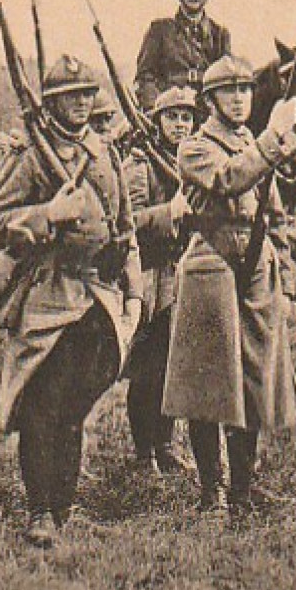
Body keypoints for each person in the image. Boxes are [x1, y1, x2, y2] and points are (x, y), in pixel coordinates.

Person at [0, 55, 141, 547]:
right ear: (51, 103)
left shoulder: (104, 153)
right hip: (49, 296)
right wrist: (48, 213)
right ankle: (40, 510)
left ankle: (65, 506)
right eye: (71, 96)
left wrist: (132, 289)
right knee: (42, 406)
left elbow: (126, 226)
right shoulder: (30, 156)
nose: (81, 103)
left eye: (87, 94)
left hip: (97, 296)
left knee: (75, 408)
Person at [163, 54, 296, 520]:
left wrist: (280, 258)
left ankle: (242, 488)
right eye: (230, 91)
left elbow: (274, 209)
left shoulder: (253, 142)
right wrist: (270, 141)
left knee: (254, 376)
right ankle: (211, 489)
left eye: (245, 90)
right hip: (212, 262)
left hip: (256, 262)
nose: (240, 99)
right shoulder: (195, 147)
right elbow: (228, 178)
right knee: (208, 383)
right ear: (210, 100)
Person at [120, 86, 198, 475]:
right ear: (158, 121)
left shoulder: (193, 161)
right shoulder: (140, 164)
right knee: (147, 367)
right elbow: (128, 222)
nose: (180, 125)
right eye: (173, 117)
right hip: (149, 274)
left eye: (187, 118)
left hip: (181, 273)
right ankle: (143, 452)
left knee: (171, 366)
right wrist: (169, 212)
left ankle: (165, 445)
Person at [133, 0, 231, 110]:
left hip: (208, 109)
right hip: (169, 107)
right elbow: (145, 75)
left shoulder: (220, 34)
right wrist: (154, 108)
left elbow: (224, 79)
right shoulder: (160, 30)